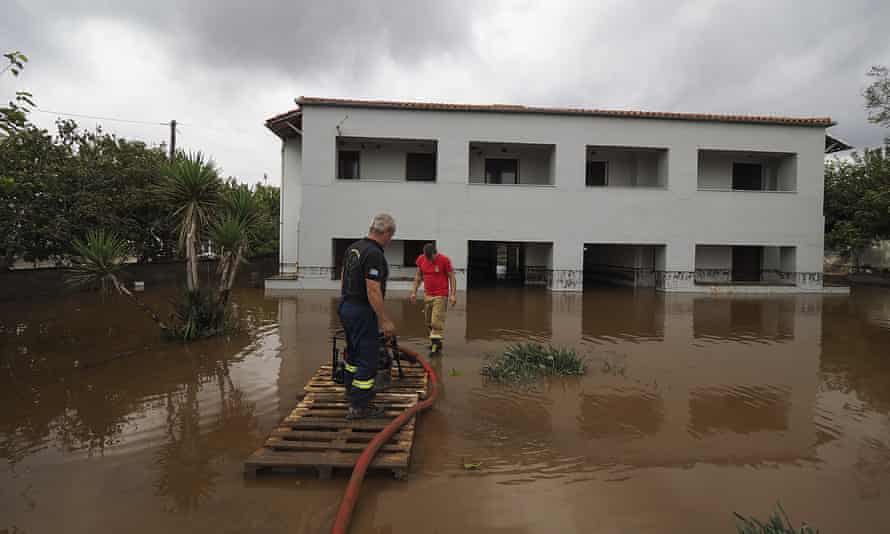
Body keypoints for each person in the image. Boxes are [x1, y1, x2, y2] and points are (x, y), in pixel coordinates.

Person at [338, 213, 397, 420]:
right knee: (368, 359)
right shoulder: (374, 254)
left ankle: (352, 393)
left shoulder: (353, 248)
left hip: (346, 306)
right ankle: (360, 407)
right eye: (391, 237)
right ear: (387, 233)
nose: (390, 242)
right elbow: (372, 289)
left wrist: (347, 303)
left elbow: (343, 278)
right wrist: (384, 320)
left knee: (353, 354)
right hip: (362, 310)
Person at [410, 243, 457, 356]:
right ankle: (437, 342)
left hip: (441, 295)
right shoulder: (421, 259)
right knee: (428, 322)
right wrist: (414, 292)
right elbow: (418, 276)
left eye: (431, 257)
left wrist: (453, 294)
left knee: (436, 321)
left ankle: (435, 348)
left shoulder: (444, 260)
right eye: (427, 258)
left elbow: (452, 277)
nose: (429, 260)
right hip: (428, 295)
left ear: (436, 253)